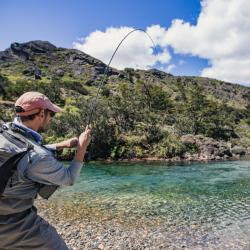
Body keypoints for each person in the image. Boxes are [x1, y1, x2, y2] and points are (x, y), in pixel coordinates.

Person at [0, 91, 91, 250]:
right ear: (41, 114)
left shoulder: (6, 131)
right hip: (14, 224)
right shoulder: (39, 157)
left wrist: (62, 145)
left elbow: (25, 152)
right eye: (51, 115)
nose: (51, 119)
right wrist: (82, 148)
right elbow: (69, 178)